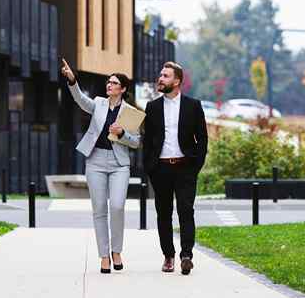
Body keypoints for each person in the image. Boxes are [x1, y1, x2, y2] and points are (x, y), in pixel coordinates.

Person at [61, 58, 141, 274]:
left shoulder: (130, 112)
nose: (109, 85)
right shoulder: (98, 103)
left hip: (119, 164)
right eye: (108, 82)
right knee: (99, 210)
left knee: (117, 206)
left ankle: (117, 251)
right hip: (95, 160)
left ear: (123, 89)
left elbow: (136, 142)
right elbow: (79, 99)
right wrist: (72, 80)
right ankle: (104, 256)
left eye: (114, 83)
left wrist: (122, 134)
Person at [143, 61, 208, 275]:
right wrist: (149, 167)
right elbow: (149, 140)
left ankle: (186, 255)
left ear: (177, 81)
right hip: (160, 168)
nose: (160, 78)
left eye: (166, 75)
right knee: (163, 213)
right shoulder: (152, 107)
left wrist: (195, 165)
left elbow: (203, 139)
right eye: (160, 75)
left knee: (186, 210)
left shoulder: (193, 105)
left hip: (185, 167)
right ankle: (168, 256)